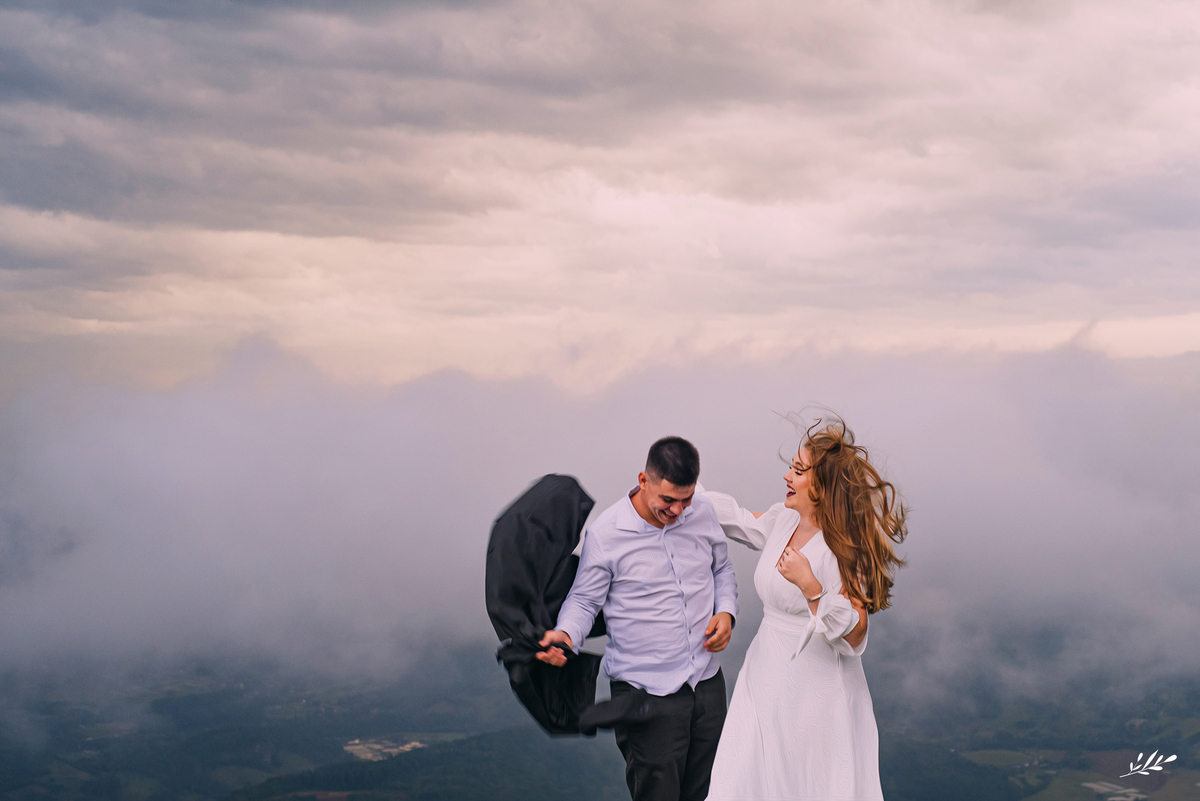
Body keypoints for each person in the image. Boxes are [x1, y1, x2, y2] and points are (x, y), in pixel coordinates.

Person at [703, 417, 907, 801]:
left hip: (816, 691)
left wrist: (812, 587)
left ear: (822, 485)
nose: (786, 476)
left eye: (797, 470)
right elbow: (738, 520)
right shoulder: (784, 521)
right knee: (738, 779)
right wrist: (687, 494)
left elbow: (857, 632)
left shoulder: (844, 547)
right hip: (764, 674)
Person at [537, 436, 739, 801]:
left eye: (686, 499)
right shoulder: (607, 533)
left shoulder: (704, 512)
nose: (678, 510)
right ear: (643, 481)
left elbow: (721, 568)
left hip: (707, 683)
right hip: (645, 693)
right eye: (668, 500)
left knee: (711, 792)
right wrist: (566, 635)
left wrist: (726, 611)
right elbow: (584, 600)